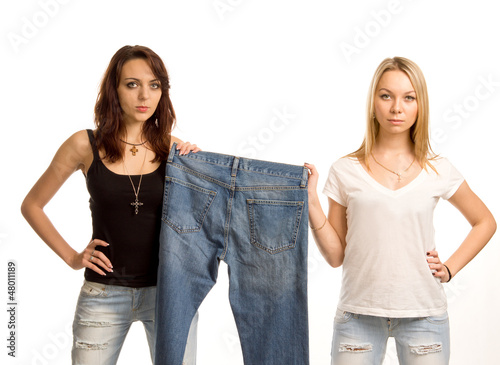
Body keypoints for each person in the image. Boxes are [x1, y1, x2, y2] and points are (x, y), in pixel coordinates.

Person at [305, 57, 496, 365]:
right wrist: (312, 202)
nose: (397, 108)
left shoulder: (438, 169)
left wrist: (449, 268)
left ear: (420, 105)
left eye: (409, 97)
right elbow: (336, 255)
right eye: (386, 96)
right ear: (373, 102)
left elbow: (485, 221)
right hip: (358, 315)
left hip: (424, 317)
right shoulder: (345, 170)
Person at [21, 45, 200, 364]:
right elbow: (32, 205)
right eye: (132, 84)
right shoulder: (84, 144)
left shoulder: (174, 149)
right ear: (114, 90)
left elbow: (206, 220)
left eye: (154, 85)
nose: (144, 95)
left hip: (169, 295)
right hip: (103, 295)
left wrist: (199, 167)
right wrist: (73, 257)